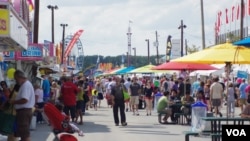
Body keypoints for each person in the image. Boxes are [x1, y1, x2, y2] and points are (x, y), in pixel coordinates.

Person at [10, 70, 35, 141]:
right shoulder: (25, 85)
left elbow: (25, 100)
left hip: (24, 112)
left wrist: (14, 102)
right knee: (23, 133)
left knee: (24, 134)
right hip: (24, 112)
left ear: (19, 77)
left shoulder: (26, 85)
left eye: (16, 78)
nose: (16, 80)